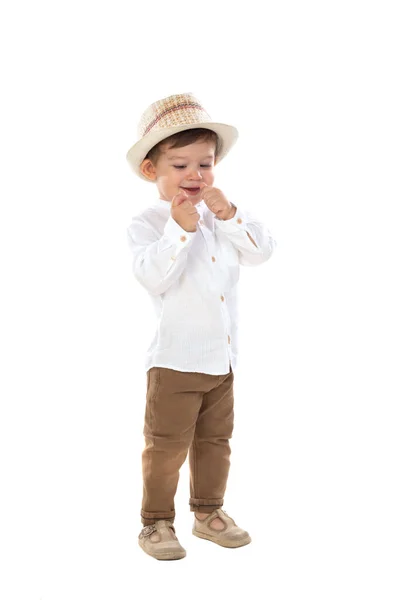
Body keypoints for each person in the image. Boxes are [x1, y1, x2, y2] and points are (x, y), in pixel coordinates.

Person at [126, 92, 276, 560]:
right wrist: (181, 229)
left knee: (216, 443)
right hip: (175, 363)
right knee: (166, 448)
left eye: (205, 165)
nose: (194, 176)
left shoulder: (222, 218)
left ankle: (209, 512)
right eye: (180, 165)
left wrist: (227, 215)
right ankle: (156, 523)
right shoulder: (148, 223)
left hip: (223, 361)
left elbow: (261, 252)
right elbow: (153, 276)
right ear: (152, 170)